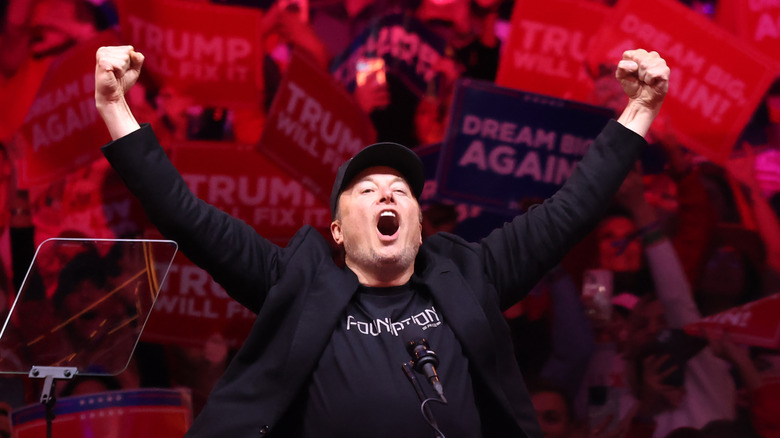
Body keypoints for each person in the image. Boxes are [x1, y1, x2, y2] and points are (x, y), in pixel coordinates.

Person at [93, 44, 669, 437]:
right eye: (367, 190)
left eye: (401, 190)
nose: (388, 195)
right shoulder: (293, 278)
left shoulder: (472, 272)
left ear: (420, 226)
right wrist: (116, 107)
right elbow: (185, 216)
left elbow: (571, 210)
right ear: (337, 231)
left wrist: (639, 109)